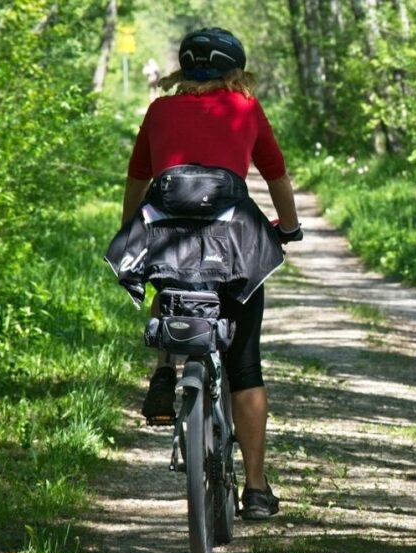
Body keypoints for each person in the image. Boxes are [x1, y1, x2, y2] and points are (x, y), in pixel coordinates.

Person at [119, 27, 303, 520]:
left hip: (168, 235)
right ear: (234, 71)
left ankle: (163, 368)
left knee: (169, 277)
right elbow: (276, 175)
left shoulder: (159, 110)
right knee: (245, 364)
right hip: (233, 241)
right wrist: (289, 228)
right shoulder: (245, 108)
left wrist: (129, 231)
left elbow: (139, 179)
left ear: (183, 70)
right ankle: (258, 489)